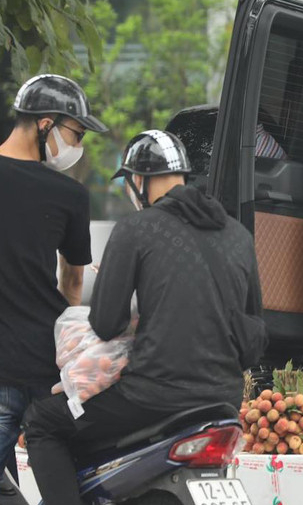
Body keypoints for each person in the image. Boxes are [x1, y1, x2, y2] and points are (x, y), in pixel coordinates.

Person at [22, 130, 267, 505]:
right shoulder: (238, 236)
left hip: (151, 397)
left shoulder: (136, 229)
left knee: (43, 422)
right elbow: (253, 342)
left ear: (139, 180)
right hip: (224, 401)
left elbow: (106, 324)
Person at [0, 74, 107, 495]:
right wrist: (66, 343)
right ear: (46, 124)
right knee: (68, 486)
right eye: (75, 133)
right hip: (49, 370)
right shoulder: (70, 194)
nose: (77, 146)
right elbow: (74, 277)